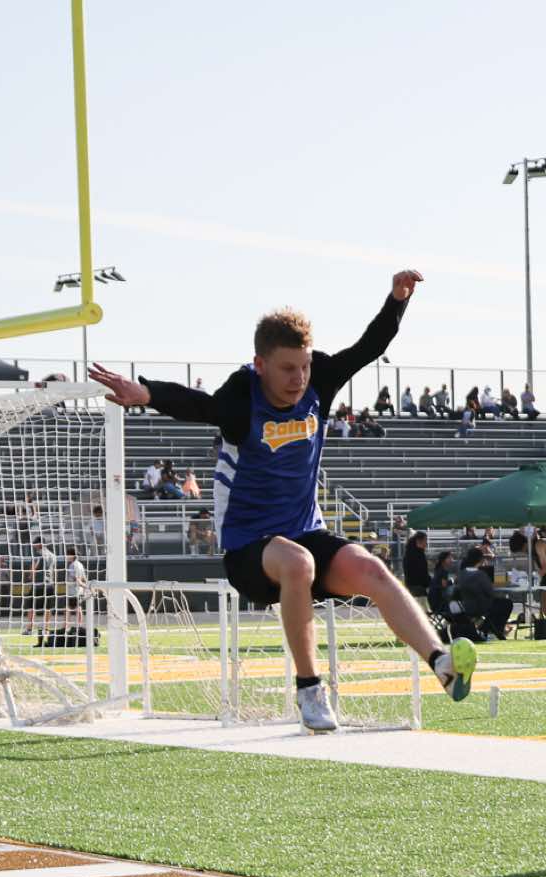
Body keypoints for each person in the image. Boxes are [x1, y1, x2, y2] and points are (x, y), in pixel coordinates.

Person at [87, 273, 474, 733]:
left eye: (304, 366)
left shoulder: (319, 381)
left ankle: (441, 662)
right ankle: (310, 690)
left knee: (371, 568)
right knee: (298, 563)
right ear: (260, 365)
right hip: (249, 549)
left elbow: (368, 348)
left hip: (305, 531)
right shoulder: (241, 397)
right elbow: (199, 405)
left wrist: (396, 301)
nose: (299, 378)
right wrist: (147, 394)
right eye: (288, 368)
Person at [450, 546, 512, 640]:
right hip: (480, 607)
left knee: (499, 604)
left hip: (466, 606)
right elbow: (490, 592)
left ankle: (487, 628)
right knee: (506, 603)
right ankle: (494, 630)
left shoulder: (461, 574)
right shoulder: (480, 575)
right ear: (481, 560)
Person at [24, 536, 58, 633]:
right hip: (49, 584)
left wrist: (30, 577)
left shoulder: (38, 554)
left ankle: (29, 629)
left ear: (40, 544)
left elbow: (33, 568)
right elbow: (54, 571)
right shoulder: (53, 555)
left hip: (38, 584)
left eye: (35, 543)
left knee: (31, 607)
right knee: (47, 608)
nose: (34, 545)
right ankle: (46, 629)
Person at [402, 530, 431, 608]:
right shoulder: (414, 555)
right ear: (418, 541)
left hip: (416, 586)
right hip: (417, 586)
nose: (426, 543)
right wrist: (429, 582)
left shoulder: (415, 552)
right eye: (425, 540)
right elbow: (420, 572)